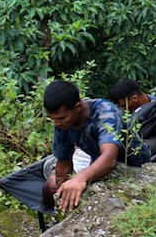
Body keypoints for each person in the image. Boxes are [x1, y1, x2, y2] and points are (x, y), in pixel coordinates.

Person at [43, 80, 150, 212]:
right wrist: (60, 190)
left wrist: (80, 178)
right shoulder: (62, 124)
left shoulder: (105, 113)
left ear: (77, 108)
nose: (56, 124)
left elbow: (110, 158)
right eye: (52, 119)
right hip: (97, 165)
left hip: (133, 165)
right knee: (51, 185)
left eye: (61, 118)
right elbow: (63, 163)